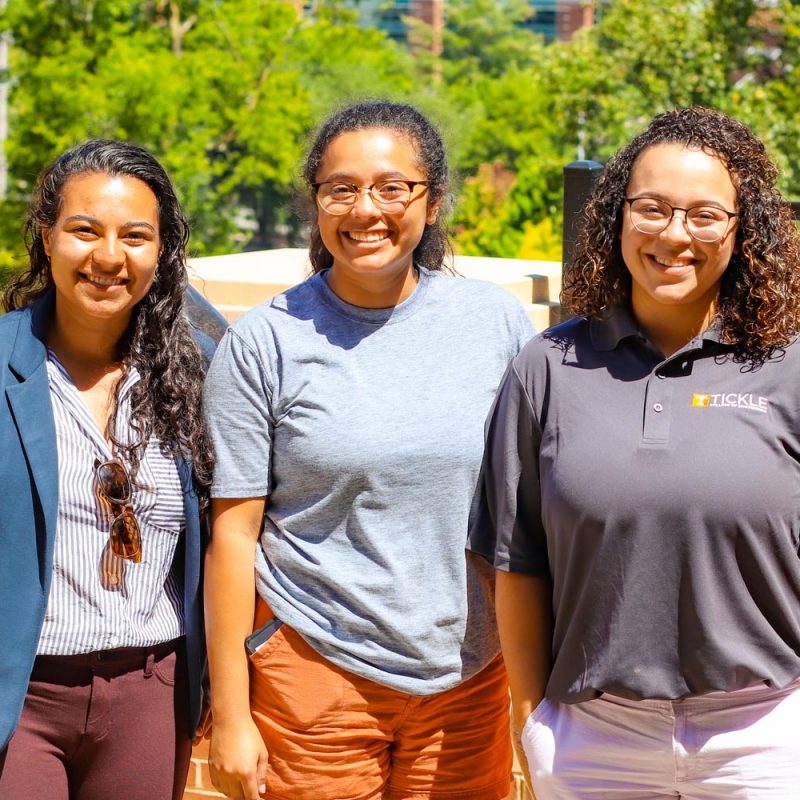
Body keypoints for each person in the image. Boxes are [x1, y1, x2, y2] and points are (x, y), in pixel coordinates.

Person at [203, 100, 534, 800]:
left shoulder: (494, 322)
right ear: (317, 203)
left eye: (392, 187)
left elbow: (530, 506)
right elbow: (232, 537)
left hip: (467, 678)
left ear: (433, 201)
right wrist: (232, 714)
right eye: (341, 189)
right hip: (316, 673)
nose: (366, 210)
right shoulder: (266, 341)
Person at [470, 106, 800, 799]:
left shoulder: (788, 367)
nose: (674, 234)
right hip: (594, 745)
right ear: (616, 216)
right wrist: (532, 722)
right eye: (651, 208)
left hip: (764, 741)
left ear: (744, 232)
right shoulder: (548, 368)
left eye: (706, 215)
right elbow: (516, 561)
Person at [0, 138, 214, 799]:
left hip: (150, 694)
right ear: (46, 237)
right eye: (84, 231)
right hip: (21, 695)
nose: (108, 257)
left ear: (162, 250)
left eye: (135, 236)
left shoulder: (200, 370)